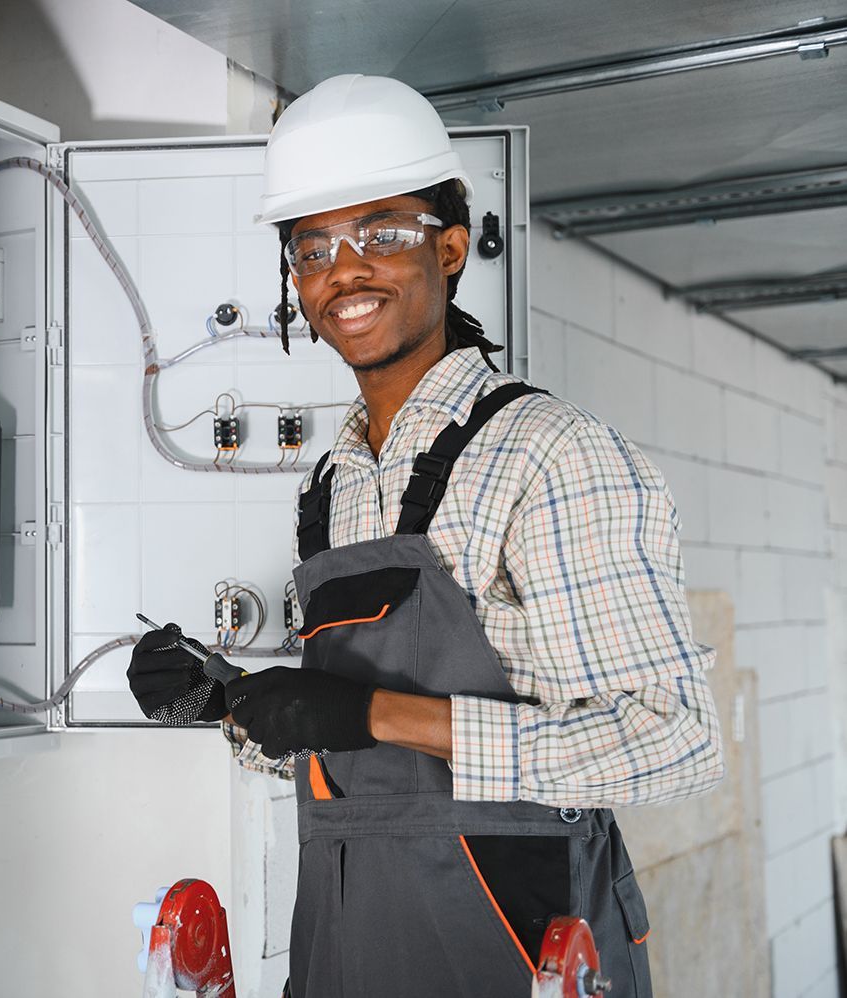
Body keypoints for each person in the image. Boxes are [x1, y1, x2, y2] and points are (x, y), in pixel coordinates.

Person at [126, 74, 723, 997]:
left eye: (383, 234)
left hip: (518, 950)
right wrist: (230, 700)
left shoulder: (549, 454)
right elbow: (341, 744)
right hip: (343, 944)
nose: (345, 269)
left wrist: (370, 716)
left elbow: (674, 740)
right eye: (314, 246)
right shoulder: (334, 482)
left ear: (449, 249)